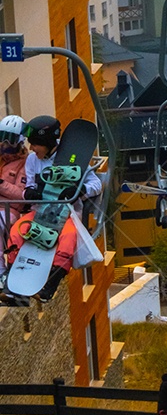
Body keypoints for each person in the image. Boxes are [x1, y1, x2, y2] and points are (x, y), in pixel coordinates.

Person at [3, 115, 103, 304]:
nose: (32, 148)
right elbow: (29, 185)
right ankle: (12, 277)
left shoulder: (73, 159)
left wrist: (80, 190)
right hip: (40, 212)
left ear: (47, 143)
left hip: (66, 215)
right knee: (16, 232)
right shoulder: (32, 160)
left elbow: (96, 185)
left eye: (35, 144)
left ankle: (50, 285)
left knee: (68, 238)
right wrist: (31, 192)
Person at [0, 116, 29, 283]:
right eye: (2, 138)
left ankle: (1, 272)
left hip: (8, 209)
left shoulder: (24, 163)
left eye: (9, 140)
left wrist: (2, 185)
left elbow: (20, 196)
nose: (4, 144)